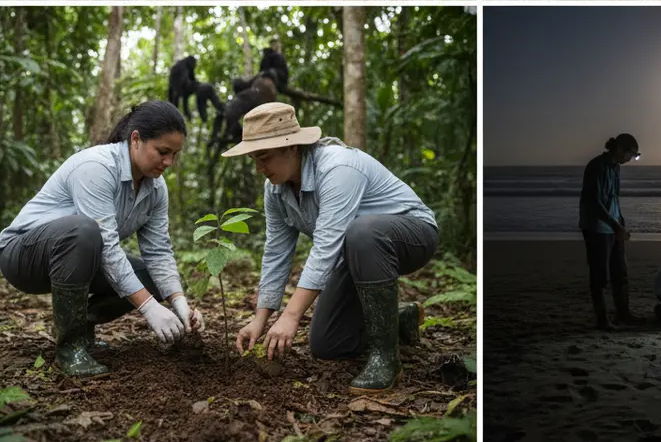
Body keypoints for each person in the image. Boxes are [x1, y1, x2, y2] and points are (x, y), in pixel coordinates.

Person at [230, 103, 439, 393]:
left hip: (413, 235)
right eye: (254, 159)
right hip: (355, 253)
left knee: (361, 232)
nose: (258, 168)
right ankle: (395, 317)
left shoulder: (337, 168)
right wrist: (260, 319)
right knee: (328, 344)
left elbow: (327, 245)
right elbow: (277, 252)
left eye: (264, 158)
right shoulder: (275, 189)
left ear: (292, 148)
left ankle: (386, 358)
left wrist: (290, 317)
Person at [0, 102, 203, 377]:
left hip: (81, 260)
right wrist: (148, 307)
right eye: (162, 152)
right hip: (23, 256)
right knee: (84, 231)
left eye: (175, 154)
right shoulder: (96, 166)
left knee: (152, 278)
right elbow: (106, 246)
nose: (169, 162)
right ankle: (69, 348)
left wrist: (178, 302)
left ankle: (80, 327)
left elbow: (158, 252)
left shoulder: (156, 187)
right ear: (135, 140)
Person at [578, 133, 644, 330]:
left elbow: (614, 197)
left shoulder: (615, 168)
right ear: (620, 149)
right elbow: (594, 201)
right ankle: (602, 320)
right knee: (599, 275)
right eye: (631, 155)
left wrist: (620, 221)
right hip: (596, 227)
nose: (630, 159)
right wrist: (616, 225)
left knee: (620, 272)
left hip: (613, 225)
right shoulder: (596, 166)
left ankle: (623, 313)